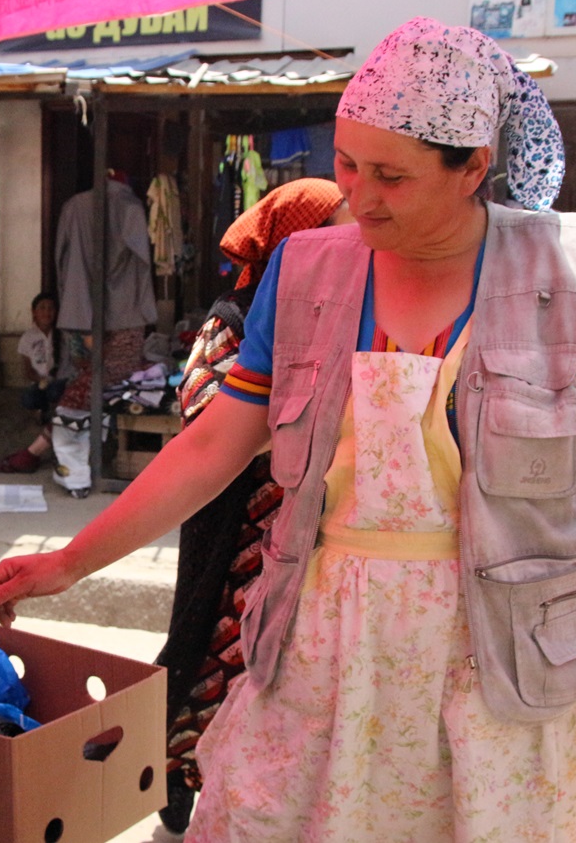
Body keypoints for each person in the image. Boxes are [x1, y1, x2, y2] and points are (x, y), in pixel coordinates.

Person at [0, 17, 576, 839]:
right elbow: (215, 444)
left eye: (390, 175)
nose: (357, 193)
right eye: (348, 163)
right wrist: (68, 561)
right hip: (320, 647)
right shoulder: (308, 268)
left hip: (500, 669)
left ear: (473, 167)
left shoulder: (568, 273)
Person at [155, 178, 352, 834]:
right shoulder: (235, 316)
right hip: (234, 532)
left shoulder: (341, 314)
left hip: (303, 535)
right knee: (215, 657)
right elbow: (203, 406)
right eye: (333, 228)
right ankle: (181, 791)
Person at [51, 170, 156, 498]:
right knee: (117, 390)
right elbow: (142, 257)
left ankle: (75, 471)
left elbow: (61, 258)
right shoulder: (131, 207)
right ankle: (99, 462)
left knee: (80, 391)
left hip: (80, 311)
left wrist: (73, 303)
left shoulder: (73, 206)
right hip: (125, 315)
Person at [0, 292, 64, 474]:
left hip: (57, 381)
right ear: (34, 312)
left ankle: (54, 415)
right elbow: (27, 370)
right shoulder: (28, 337)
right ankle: (40, 412)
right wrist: (41, 380)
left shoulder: (61, 335)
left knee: (56, 391)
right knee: (29, 397)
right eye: (42, 308)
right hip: (39, 382)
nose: (46, 312)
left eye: (50, 308)